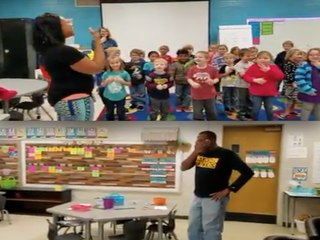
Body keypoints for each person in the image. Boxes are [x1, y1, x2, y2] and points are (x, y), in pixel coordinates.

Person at [181, 130, 254, 240]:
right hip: (198, 196)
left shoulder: (226, 154)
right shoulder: (200, 153)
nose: (197, 143)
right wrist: (195, 152)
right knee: (193, 228)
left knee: (211, 228)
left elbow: (247, 172)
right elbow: (183, 167)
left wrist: (229, 189)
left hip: (215, 198)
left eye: (200, 140)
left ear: (208, 141)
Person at [33, 13, 105, 121]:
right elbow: (97, 67)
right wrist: (98, 41)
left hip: (63, 100)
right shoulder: (64, 51)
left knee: (71, 135)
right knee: (82, 136)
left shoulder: (49, 50)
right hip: (76, 102)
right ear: (56, 28)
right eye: (65, 22)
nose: (70, 24)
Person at [243, 51, 284, 121]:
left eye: (265, 58)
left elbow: (280, 77)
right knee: (255, 109)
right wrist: (254, 80)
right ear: (256, 59)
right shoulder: (253, 67)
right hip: (256, 93)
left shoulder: (273, 67)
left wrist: (269, 70)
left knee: (269, 110)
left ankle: (270, 122)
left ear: (270, 59)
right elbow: (246, 77)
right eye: (260, 58)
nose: (262, 60)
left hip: (269, 93)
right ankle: (254, 120)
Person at [187, 51, 219, 120]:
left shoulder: (212, 69)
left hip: (210, 94)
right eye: (196, 57)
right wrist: (193, 83)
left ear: (207, 59)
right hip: (196, 95)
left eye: (200, 57)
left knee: (211, 111)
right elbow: (189, 78)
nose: (197, 58)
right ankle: (199, 124)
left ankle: (212, 124)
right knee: (197, 112)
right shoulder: (192, 69)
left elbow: (217, 78)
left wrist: (213, 81)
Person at [101, 56, 131, 121]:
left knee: (121, 111)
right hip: (108, 96)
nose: (115, 64)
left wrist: (122, 82)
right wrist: (107, 81)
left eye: (117, 62)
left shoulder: (124, 73)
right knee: (109, 111)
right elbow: (102, 85)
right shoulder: (106, 73)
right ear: (109, 64)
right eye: (112, 63)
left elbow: (129, 84)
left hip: (121, 96)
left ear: (120, 63)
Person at [295, 48, 320, 121]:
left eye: (317, 55)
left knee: (318, 110)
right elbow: (299, 78)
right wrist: (308, 89)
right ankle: (303, 124)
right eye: (311, 55)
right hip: (308, 92)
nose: (314, 56)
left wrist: (318, 66)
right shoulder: (304, 65)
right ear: (308, 56)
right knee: (307, 109)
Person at [278, 48, 304, 120]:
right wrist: (292, 82)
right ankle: (286, 112)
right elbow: (288, 74)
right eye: (298, 54)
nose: (300, 56)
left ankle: (291, 111)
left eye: (301, 54)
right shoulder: (288, 63)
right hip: (290, 84)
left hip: (297, 83)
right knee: (289, 98)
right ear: (290, 56)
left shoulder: (297, 63)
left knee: (294, 98)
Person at [234, 48, 254, 120]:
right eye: (247, 56)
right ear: (241, 56)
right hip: (241, 86)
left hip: (250, 85)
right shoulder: (239, 65)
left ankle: (248, 113)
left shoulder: (251, 63)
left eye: (250, 56)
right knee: (241, 100)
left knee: (250, 99)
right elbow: (242, 75)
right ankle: (240, 113)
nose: (249, 57)